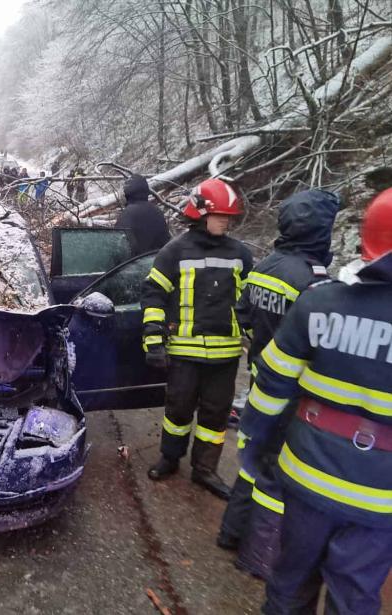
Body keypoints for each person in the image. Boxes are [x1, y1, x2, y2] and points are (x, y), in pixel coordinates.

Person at [238, 188, 392, 614]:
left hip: (307, 473)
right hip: (382, 497)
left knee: (289, 584)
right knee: (355, 598)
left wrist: (253, 443)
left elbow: (270, 387)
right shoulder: (310, 284)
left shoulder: (320, 302)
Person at [217, 190, 340, 580]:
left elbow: (243, 314)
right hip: (293, 393)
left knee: (251, 460)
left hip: (261, 379)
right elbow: (321, 346)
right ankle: (258, 555)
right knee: (276, 474)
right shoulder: (314, 283)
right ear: (321, 231)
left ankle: (231, 531)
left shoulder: (265, 266)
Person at [142, 178, 253, 499]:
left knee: (215, 417)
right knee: (178, 411)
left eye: (229, 216)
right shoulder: (174, 251)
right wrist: (154, 341)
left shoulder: (241, 254)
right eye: (221, 215)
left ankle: (205, 469)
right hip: (184, 353)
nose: (226, 221)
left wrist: (258, 344)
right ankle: (170, 457)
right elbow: (153, 295)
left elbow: (250, 304)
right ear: (200, 213)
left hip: (225, 356)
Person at [116, 175, 170, 255]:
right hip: (160, 258)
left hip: (138, 261)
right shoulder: (157, 211)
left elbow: (119, 245)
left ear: (126, 193)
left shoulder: (127, 214)